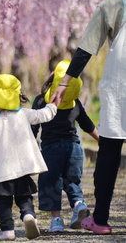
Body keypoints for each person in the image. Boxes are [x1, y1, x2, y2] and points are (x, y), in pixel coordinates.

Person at [50, 0, 126, 235]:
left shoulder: (110, 4)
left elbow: (86, 50)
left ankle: (102, 220)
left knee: (109, 152)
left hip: (121, 85)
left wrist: (64, 82)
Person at [0, 74, 57, 240]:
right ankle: (29, 216)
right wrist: (53, 105)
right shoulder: (24, 114)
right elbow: (42, 115)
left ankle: (7, 230)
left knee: (3, 203)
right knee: (24, 198)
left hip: (1, 173)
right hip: (22, 169)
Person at [32, 60, 99, 232]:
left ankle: (56, 221)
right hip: (74, 149)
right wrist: (102, 141)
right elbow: (88, 125)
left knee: (51, 184)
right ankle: (79, 205)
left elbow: (33, 129)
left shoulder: (41, 102)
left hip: (50, 151)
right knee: (73, 182)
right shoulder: (75, 103)